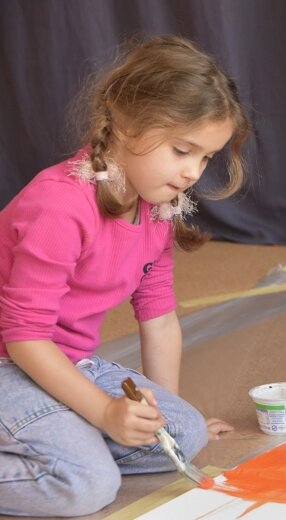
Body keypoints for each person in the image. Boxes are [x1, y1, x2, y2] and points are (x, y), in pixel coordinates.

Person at [0, 35, 249, 516]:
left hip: (65, 363)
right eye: (182, 150)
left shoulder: (156, 208)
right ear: (122, 121)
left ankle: (63, 434)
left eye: (205, 158)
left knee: (185, 433)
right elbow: (24, 338)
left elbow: (158, 317)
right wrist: (101, 411)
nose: (193, 172)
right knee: (86, 484)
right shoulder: (58, 205)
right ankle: (69, 444)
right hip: (11, 362)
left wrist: (168, 417)